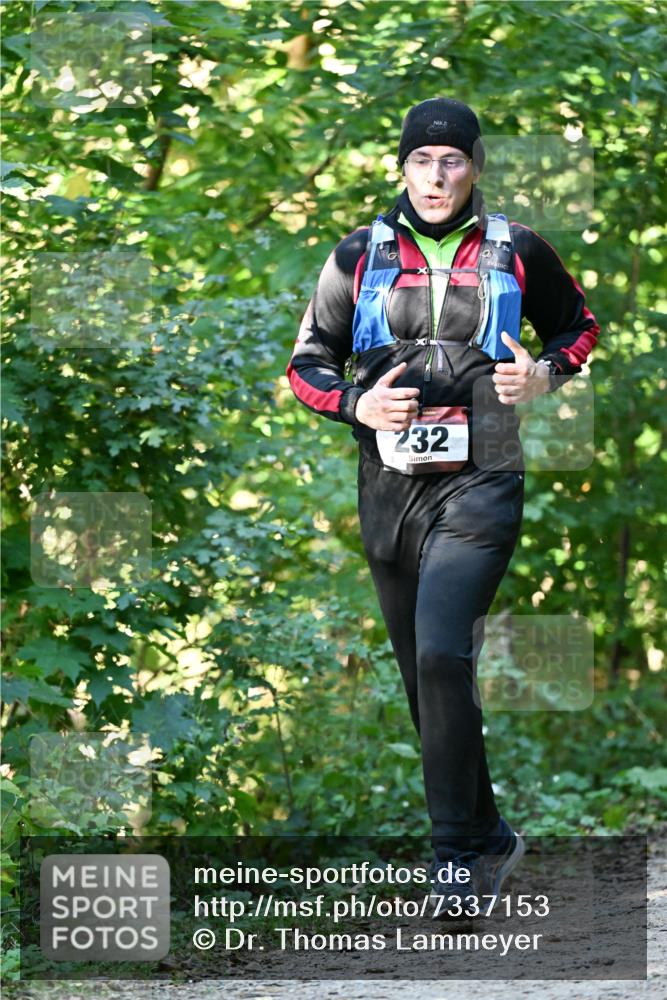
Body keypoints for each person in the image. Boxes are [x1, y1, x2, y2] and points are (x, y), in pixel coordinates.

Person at [286, 98, 599, 915]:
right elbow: (306, 365)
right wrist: (356, 407)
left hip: (483, 477)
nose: (436, 176)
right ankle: (487, 832)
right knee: (422, 677)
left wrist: (541, 377)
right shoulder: (357, 254)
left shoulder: (516, 249)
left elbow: (578, 329)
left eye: (452, 160)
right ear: (401, 167)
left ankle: (455, 860)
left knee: (440, 655)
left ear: (473, 167)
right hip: (389, 487)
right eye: (421, 161)